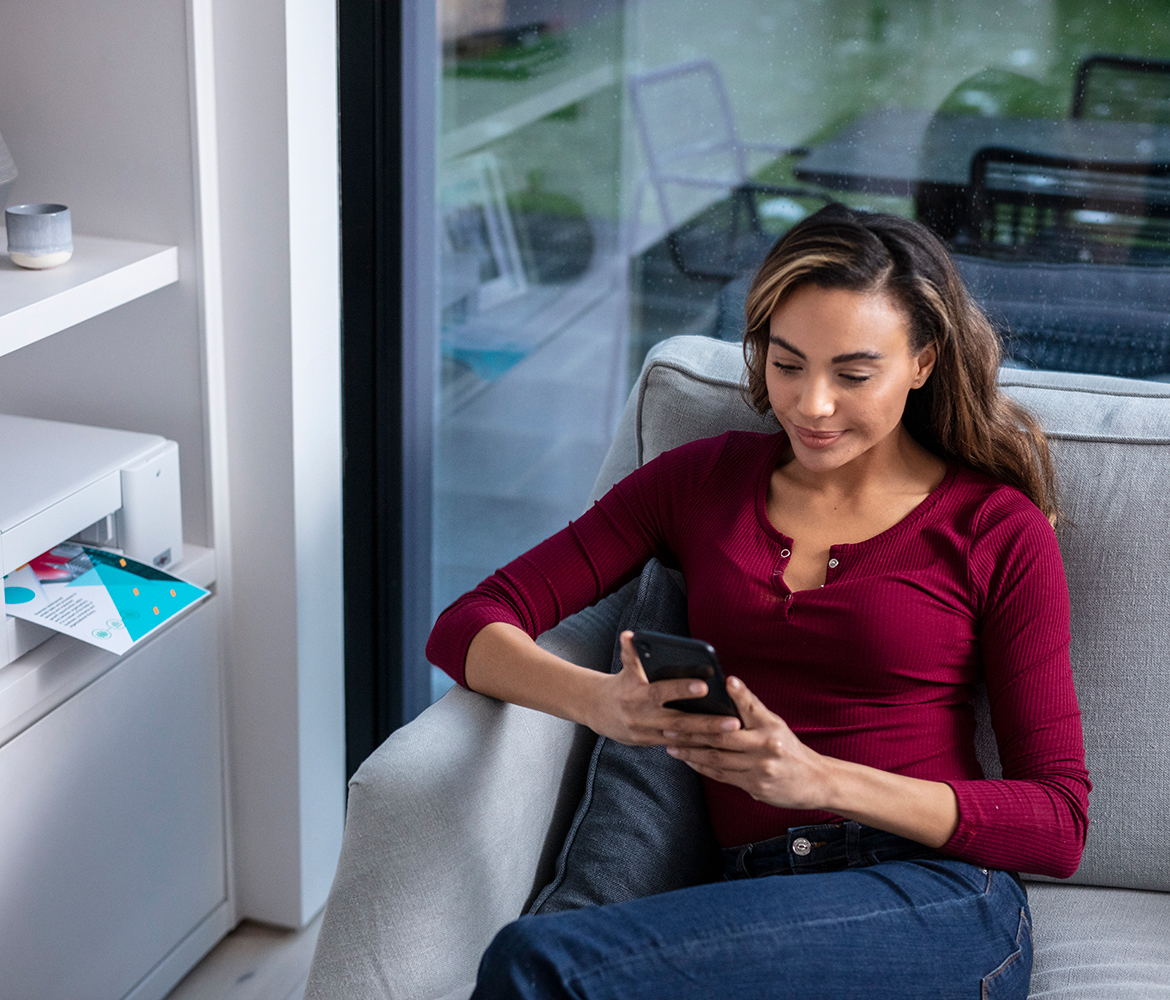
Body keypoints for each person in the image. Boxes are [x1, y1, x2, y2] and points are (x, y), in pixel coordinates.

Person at [425, 204, 1090, 999]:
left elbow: (1057, 821)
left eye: (852, 374)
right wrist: (606, 704)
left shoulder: (995, 528)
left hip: (934, 900)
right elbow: (467, 624)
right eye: (786, 363)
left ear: (922, 362)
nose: (811, 404)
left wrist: (820, 780)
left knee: (539, 964)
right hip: (750, 900)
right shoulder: (699, 482)